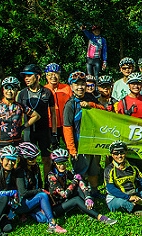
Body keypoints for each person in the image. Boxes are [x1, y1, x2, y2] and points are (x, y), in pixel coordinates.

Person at [0, 76, 41, 165]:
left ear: (17, 91)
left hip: (17, 143)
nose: (10, 91)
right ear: (3, 90)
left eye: (13, 88)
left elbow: (36, 116)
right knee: (0, 170)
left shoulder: (20, 106)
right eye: (7, 88)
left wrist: (23, 127)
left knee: (17, 169)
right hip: (1, 144)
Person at [46, 148, 116, 225]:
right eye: (59, 163)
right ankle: (99, 216)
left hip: (62, 201)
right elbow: (64, 194)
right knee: (76, 199)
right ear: (54, 163)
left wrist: (87, 197)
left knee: (78, 187)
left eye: (64, 162)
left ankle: (90, 210)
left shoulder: (65, 172)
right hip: (55, 208)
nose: (62, 166)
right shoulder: (51, 177)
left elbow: (79, 180)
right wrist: (75, 181)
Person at [62, 70, 104, 198]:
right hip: (79, 143)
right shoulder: (70, 105)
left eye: (82, 84)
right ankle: (81, 195)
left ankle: (95, 192)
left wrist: (91, 105)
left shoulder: (91, 98)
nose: (80, 87)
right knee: (80, 171)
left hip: (93, 141)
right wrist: (72, 149)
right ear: (71, 86)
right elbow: (67, 128)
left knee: (94, 169)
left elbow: (104, 111)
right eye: (76, 84)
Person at [14, 142, 67, 233]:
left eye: (35, 157)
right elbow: (23, 193)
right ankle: (52, 224)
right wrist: (39, 191)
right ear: (23, 158)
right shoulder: (20, 172)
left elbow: (39, 183)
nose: (34, 160)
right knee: (42, 195)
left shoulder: (36, 167)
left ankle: (28, 213)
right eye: (30, 158)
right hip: (21, 202)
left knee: (42, 218)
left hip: (33, 200)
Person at [17, 64, 56, 183]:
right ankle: (29, 183)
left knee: (46, 159)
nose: (26, 79)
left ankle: (47, 184)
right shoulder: (22, 93)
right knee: (26, 159)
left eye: (29, 76)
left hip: (44, 130)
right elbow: (17, 113)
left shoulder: (47, 92)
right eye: (25, 77)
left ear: (38, 76)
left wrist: (54, 133)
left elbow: (53, 114)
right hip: (28, 131)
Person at [104, 141, 142, 216]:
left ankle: (138, 207)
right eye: (116, 153)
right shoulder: (109, 169)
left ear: (126, 153)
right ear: (112, 155)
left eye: (122, 152)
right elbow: (111, 189)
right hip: (116, 198)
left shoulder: (132, 166)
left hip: (133, 194)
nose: (119, 156)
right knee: (123, 202)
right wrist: (128, 197)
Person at [44, 63, 72, 147]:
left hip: (65, 123)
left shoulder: (67, 88)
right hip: (50, 125)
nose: (53, 76)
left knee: (70, 146)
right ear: (46, 76)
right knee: (51, 149)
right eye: (50, 74)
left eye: (56, 73)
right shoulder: (44, 90)